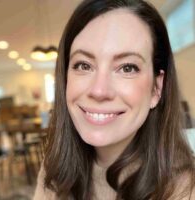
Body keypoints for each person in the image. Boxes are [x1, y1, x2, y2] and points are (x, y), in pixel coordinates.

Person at [33, 0, 195, 199]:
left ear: (156, 88)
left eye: (127, 68)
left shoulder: (186, 189)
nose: (99, 90)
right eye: (83, 65)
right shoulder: (53, 168)